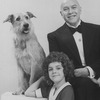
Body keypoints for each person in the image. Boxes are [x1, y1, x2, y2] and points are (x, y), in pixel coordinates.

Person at [47, 0, 100, 100]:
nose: (70, 11)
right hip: (75, 78)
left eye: (74, 7)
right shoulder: (54, 36)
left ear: (80, 9)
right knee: (85, 84)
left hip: (98, 72)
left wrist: (91, 72)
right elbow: (57, 65)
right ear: (61, 13)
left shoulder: (97, 30)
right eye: (65, 9)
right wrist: (85, 74)